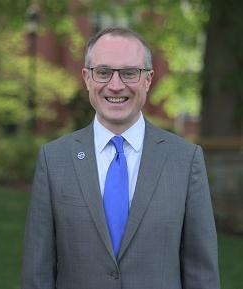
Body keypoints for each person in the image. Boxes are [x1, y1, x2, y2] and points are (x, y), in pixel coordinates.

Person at [21, 27, 221, 289]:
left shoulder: (185, 160)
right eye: (103, 72)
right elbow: (37, 272)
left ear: (148, 79)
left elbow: (202, 273)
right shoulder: (54, 159)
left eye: (129, 73)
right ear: (87, 78)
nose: (116, 85)